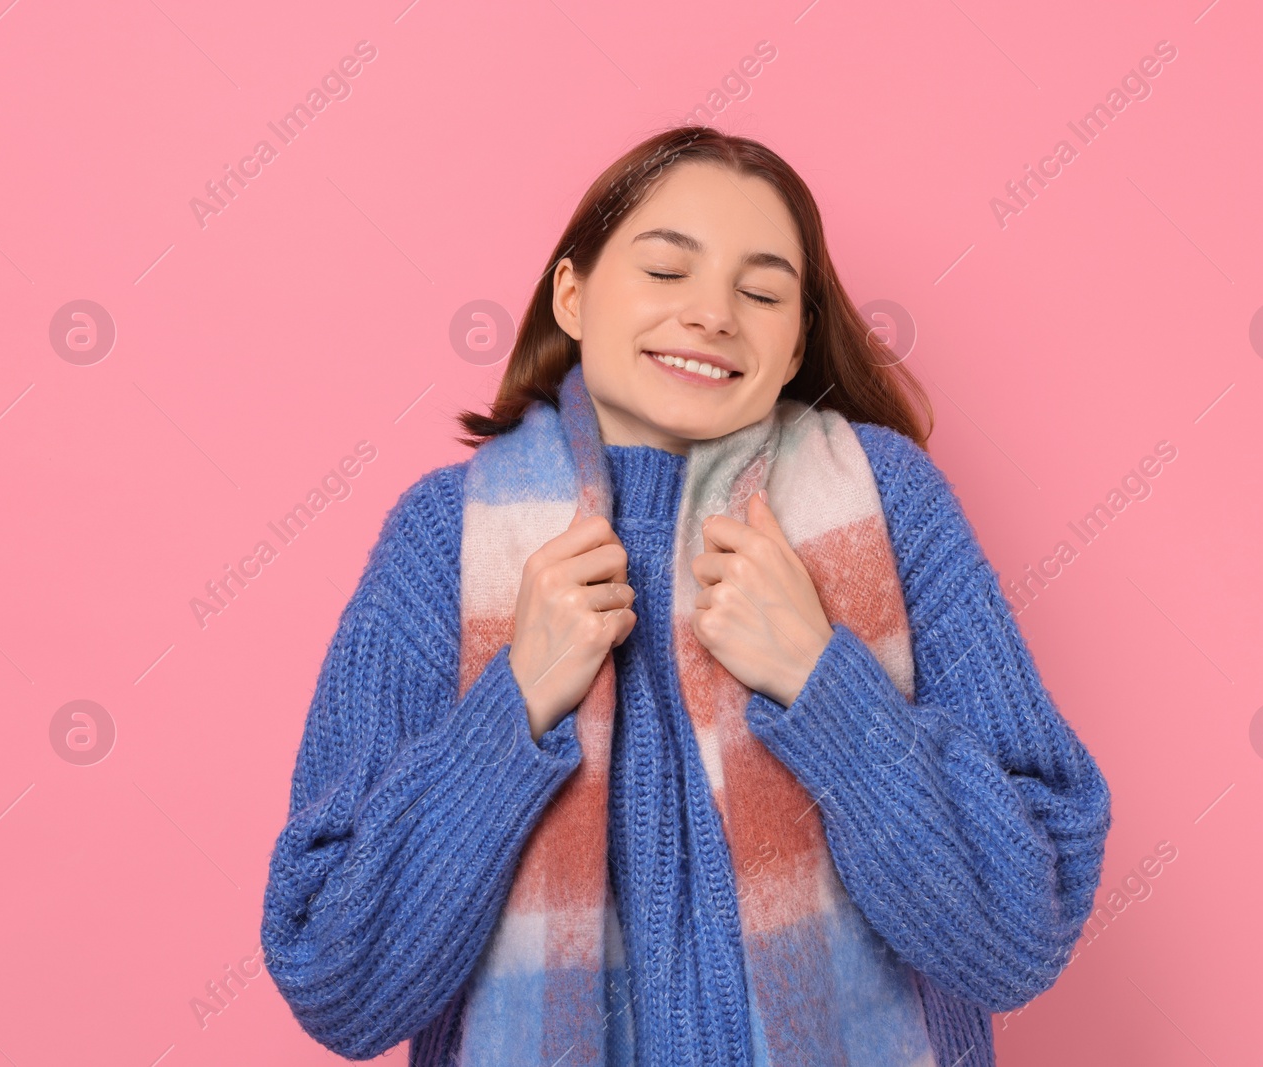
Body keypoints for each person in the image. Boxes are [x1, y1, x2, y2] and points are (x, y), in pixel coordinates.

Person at [260, 126, 1111, 1067]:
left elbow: (1019, 932)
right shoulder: (446, 542)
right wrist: (515, 704)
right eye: (667, 272)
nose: (712, 315)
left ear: (794, 345)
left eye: (761, 291)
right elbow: (339, 982)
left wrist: (822, 683)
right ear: (573, 295)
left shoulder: (889, 506)